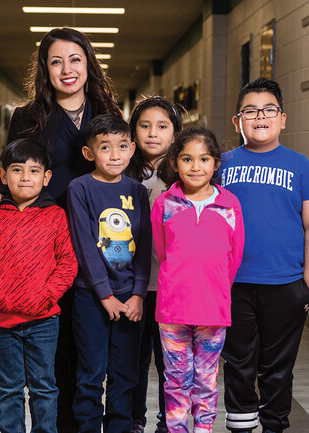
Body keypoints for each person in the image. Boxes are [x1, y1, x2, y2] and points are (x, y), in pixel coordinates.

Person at [0, 27, 122, 433]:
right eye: (56, 61)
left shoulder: (107, 109)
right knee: (54, 343)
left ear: (88, 63)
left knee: (90, 340)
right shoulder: (28, 116)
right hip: (45, 241)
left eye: (75, 59)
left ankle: (87, 423)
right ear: (45, 68)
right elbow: (16, 166)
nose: (66, 69)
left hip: (99, 237)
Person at [220, 78, 309, 433]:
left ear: (283, 119)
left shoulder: (301, 166)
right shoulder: (220, 166)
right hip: (232, 285)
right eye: (250, 111)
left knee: (278, 367)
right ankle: (240, 425)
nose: (259, 116)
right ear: (238, 122)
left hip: (285, 284)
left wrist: (308, 285)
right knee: (238, 363)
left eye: (269, 110)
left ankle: (275, 426)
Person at [0, 138, 79, 433]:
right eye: (17, 170)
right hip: (1, 320)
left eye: (34, 171)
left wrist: (48, 295)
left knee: (44, 386)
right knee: (10, 389)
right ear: (3, 175)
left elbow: (67, 263)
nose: (25, 177)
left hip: (43, 319)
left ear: (46, 177)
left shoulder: (55, 216)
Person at [151, 127, 245, 433]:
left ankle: (203, 430)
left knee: (206, 380)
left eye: (204, 159)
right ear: (175, 163)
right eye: (187, 159)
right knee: (176, 380)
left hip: (213, 310)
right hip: (173, 310)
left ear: (216, 163)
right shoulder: (164, 205)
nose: (195, 166)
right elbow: (164, 253)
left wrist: (214, 287)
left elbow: (234, 258)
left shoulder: (230, 205)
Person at [67, 114, 152, 433]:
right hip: (92, 297)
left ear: (132, 149)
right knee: (90, 373)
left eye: (121, 146)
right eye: (105, 147)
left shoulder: (138, 191)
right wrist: (104, 295)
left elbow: (144, 247)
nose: (115, 154)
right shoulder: (80, 188)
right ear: (90, 153)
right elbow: (85, 246)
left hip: (130, 300)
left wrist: (138, 294)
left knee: (125, 373)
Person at [125, 96, 183, 433]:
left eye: (162, 127)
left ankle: (167, 420)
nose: (152, 133)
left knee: (168, 362)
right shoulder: (121, 172)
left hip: (169, 287)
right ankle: (134, 419)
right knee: (133, 359)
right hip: (131, 285)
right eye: (144, 126)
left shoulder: (181, 176)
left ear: (175, 133)